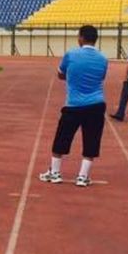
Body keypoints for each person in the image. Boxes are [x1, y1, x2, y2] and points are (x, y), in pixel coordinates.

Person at [40, 25, 108, 188]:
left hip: (74, 104)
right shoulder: (103, 59)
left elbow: (60, 74)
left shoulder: (71, 54)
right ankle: (83, 176)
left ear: (81, 38)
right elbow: (102, 77)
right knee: (91, 140)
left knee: (62, 138)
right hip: (96, 104)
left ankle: (55, 173)